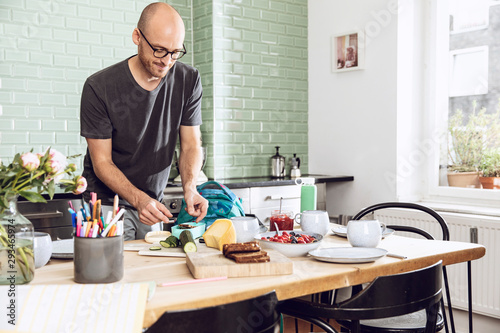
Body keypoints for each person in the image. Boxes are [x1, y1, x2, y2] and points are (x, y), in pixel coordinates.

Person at [80, 2, 208, 240]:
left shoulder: (188, 80)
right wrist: (138, 199)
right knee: (115, 274)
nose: (167, 61)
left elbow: (191, 144)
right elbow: (102, 162)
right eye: (159, 50)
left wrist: (190, 189)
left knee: (150, 271)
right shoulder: (99, 87)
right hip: (108, 204)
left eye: (175, 52)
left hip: (152, 203)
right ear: (137, 36)